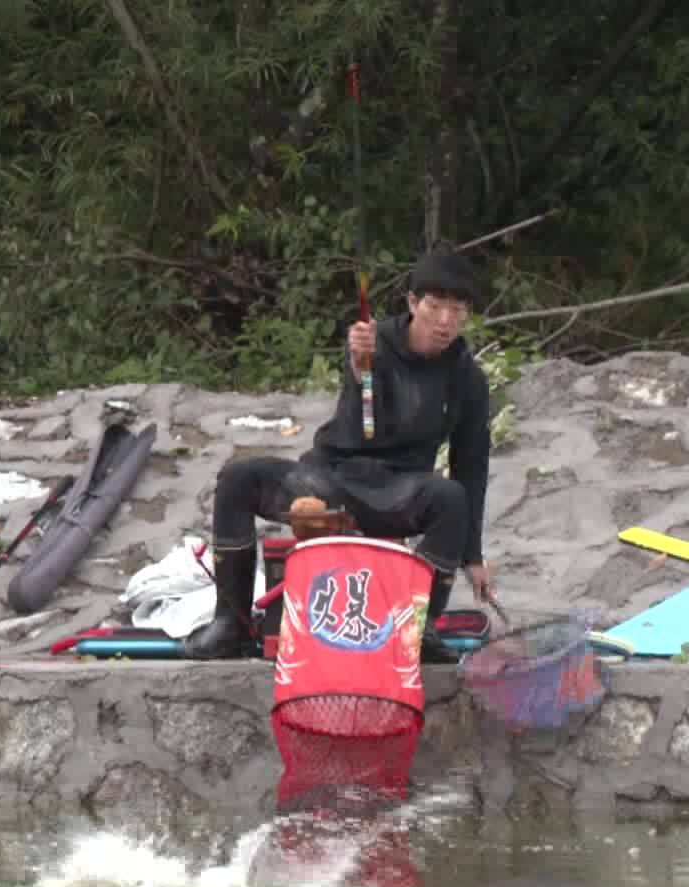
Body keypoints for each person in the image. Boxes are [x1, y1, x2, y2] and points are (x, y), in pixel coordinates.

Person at [185, 249, 497, 661]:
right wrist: (356, 362)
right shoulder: (373, 344)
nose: (444, 321)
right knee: (238, 479)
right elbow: (362, 407)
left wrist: (472, 556)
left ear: (467, 314)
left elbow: (471, 466)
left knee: (452, 497)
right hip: (331, 479)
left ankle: (417, 632)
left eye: (456, 310)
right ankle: (232, 625)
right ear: (412, 303)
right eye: (434, 307)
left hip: (400, 492)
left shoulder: (468, 380)